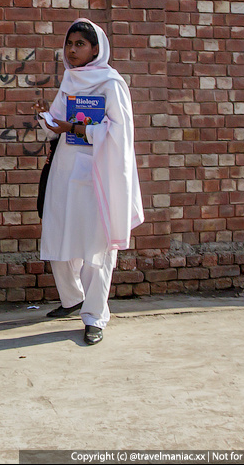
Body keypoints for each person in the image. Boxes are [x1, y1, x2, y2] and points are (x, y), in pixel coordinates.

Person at [32, 18, 144, 345]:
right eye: (69, 44)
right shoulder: (70, 79)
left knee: (97, 247)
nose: (72, 49)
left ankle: (95, 316)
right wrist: (47, 119)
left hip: (98, 174)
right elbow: (56, 123)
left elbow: (120, 134)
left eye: (80, 44)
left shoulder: (111, 83)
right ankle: (73, 299)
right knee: (58, 236)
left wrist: (78, 129)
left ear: (96, 49)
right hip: (66, 171)